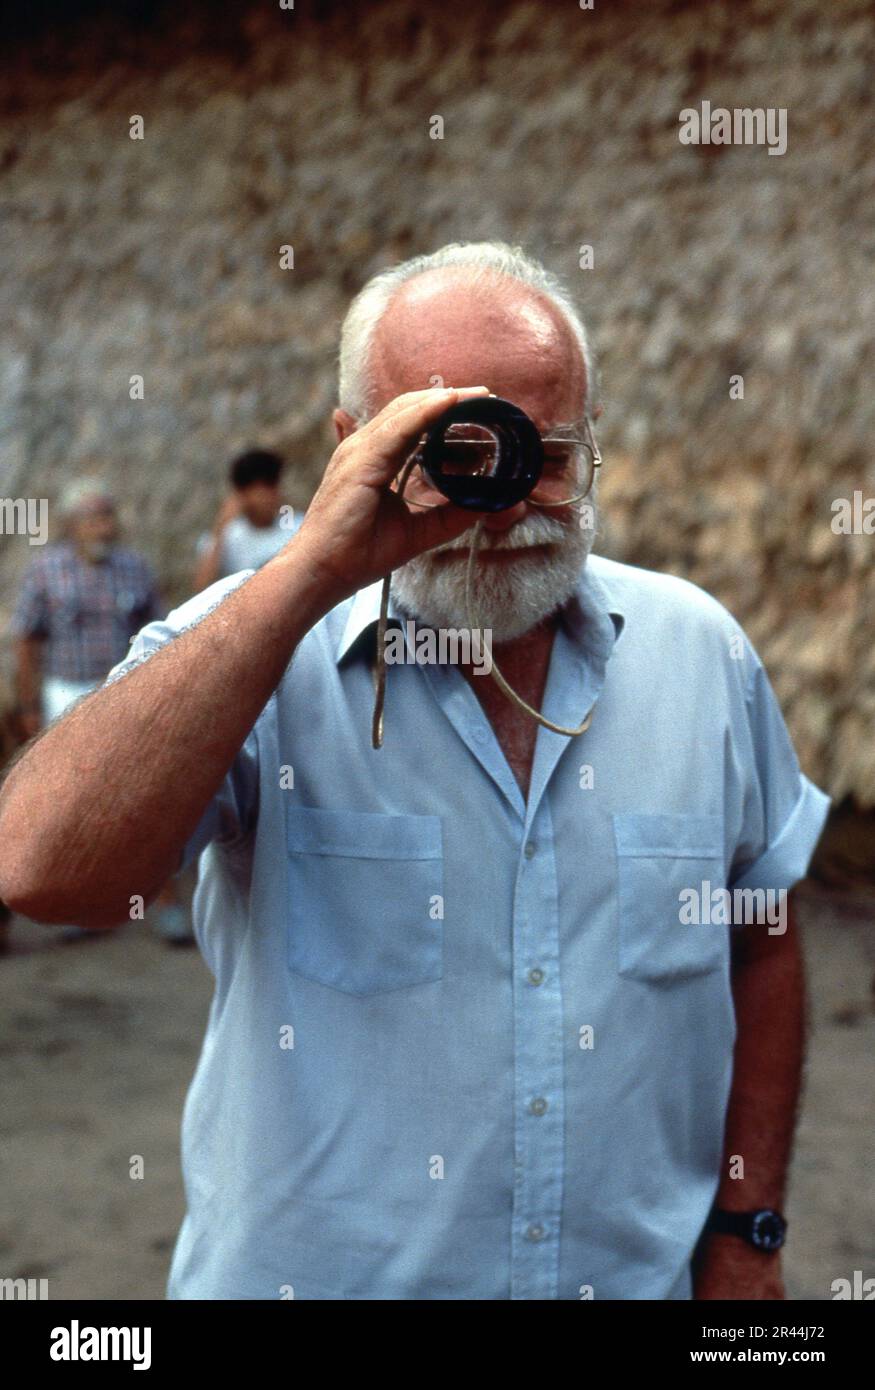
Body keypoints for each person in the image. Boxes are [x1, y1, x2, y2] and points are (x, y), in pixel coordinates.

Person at [0, 242, 830, 1300]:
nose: (500, 504)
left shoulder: (696, 654)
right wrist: (311, 569)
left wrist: (745, 1228)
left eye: (545, 455)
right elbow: (41, 871)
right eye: (453, 453)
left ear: (592, 450)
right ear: (355, 443)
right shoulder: (257, 650)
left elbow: (761, 933)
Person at [8, 477, 191, 945]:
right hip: (66, 694)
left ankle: (165, 903)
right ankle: (78, 907)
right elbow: (27, 637)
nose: (103, 526)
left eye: (107, 516)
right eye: (93, 517)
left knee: (147, 795)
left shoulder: (133, 567)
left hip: (122, 691)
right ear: (72, 525)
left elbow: (160, 630)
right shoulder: (48, 570)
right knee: (72, 804)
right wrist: (28, 704)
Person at [193, 448, 299, 592]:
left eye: (272, 486)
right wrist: (220, 529)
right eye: (261, 490)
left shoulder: (296, 525)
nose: (270, 497)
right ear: (241, 494)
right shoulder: (229, 536)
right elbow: (201, 588)